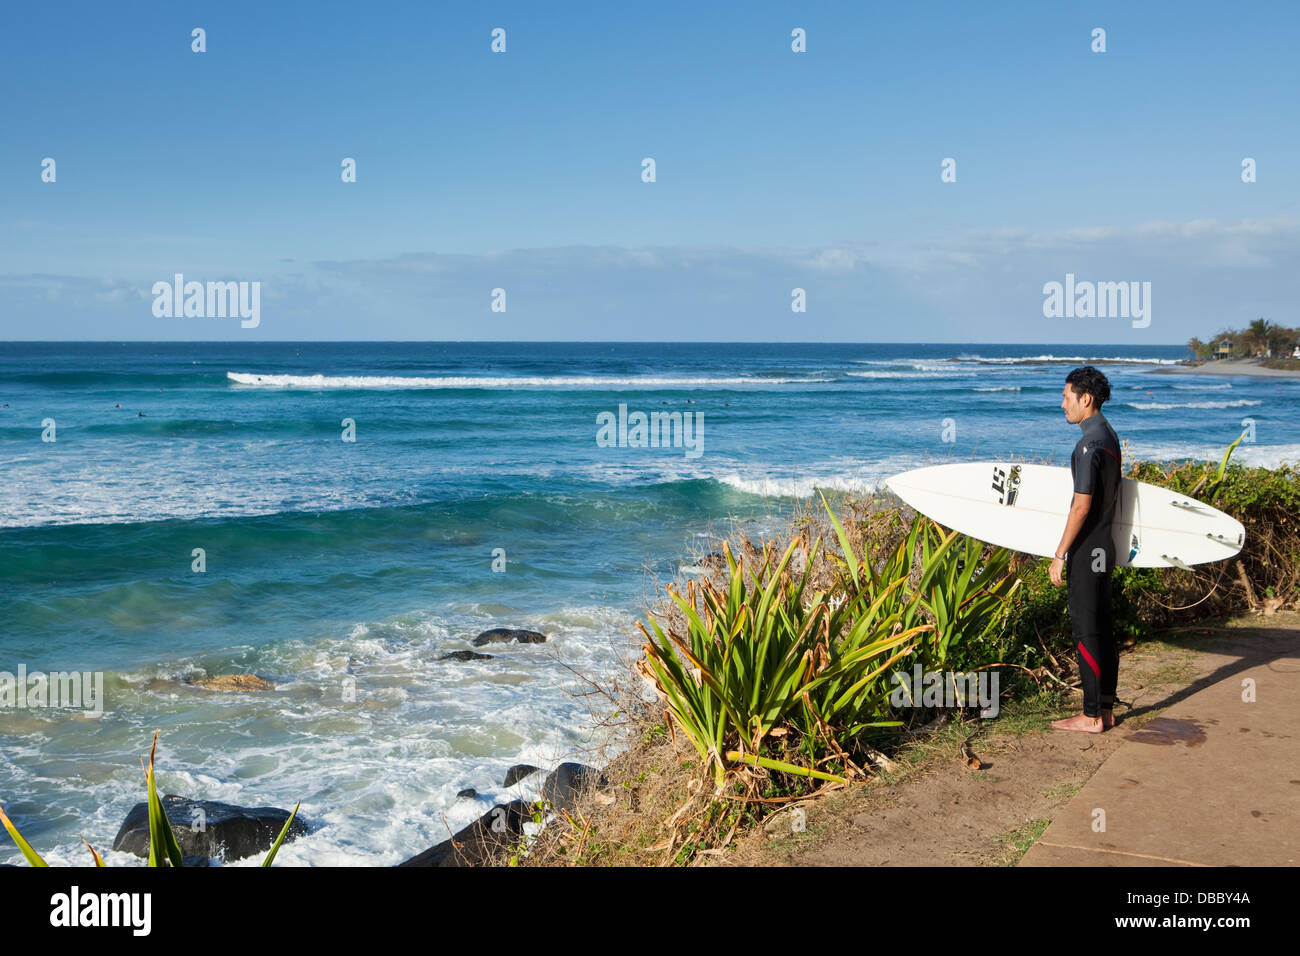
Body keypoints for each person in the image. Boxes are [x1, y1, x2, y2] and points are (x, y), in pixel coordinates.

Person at [1049, 366, 1122, 733]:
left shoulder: (1087, 444)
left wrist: (1060, 553)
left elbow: (1080, 505)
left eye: (1067, 397)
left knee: (1085, 630)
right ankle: (1104, 709)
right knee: (1102, 628)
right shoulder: (1108, 435)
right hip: (1104, 547)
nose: (1063, 404)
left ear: (1085, 398)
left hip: (1087, 548)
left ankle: (1091, 716)